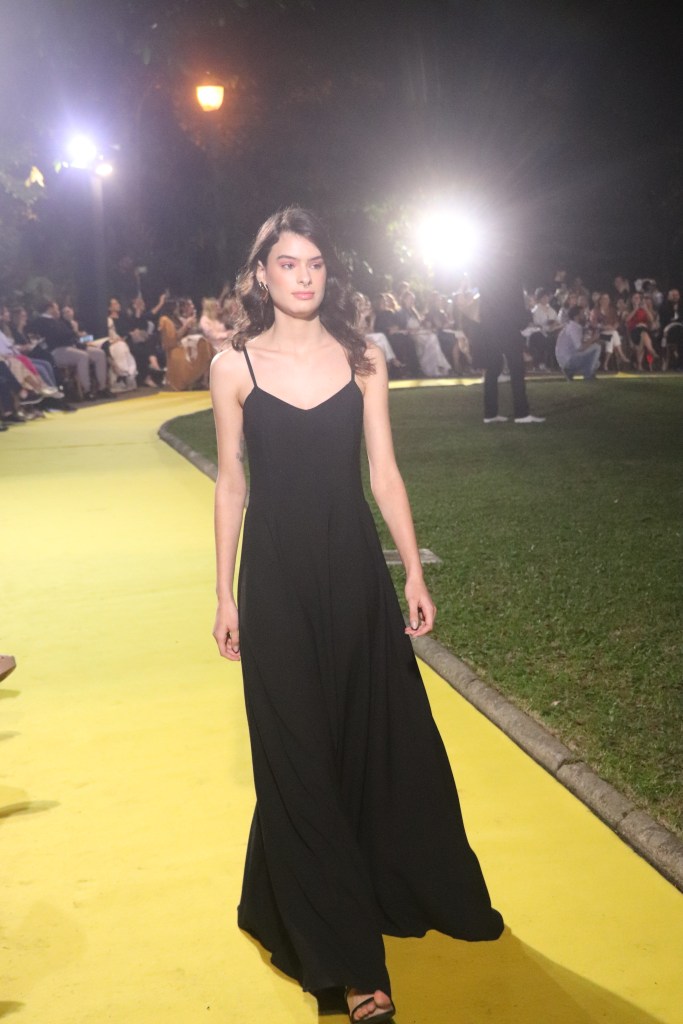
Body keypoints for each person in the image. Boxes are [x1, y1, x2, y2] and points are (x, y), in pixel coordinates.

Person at [210, 207, 504, 1023]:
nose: (303, 276)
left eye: (314, 264)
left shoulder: (362, 358)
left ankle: (312, 888)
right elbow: (231, 483)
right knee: (296, 757)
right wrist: (225, 593)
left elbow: (384, 475)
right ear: (261, 274)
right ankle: (350, 967)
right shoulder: (233, 367)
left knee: (368, 743)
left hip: (353, 579)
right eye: (287, 263)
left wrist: (412, 570)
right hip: (275, 584)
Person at [474, 255, 545, 424]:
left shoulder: (488, 282)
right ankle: (521, 413)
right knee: (516, 368)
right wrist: (523, 321)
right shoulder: (511, 281)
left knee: (493, 369)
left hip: (490, 329)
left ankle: (490, 413)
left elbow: (483, 308)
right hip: (507, 329)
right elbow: (515, 307)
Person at [555, 306, 601, 380]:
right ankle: (588, 375)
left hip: (567, 358)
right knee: (597, 347)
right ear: (576, 316)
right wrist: (593, 339)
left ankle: (570, 371)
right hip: (568, 359)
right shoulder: (573, 328)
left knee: (596, 363)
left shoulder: (574, 326)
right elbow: (579, 347)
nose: (585, 316)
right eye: (582, 314)